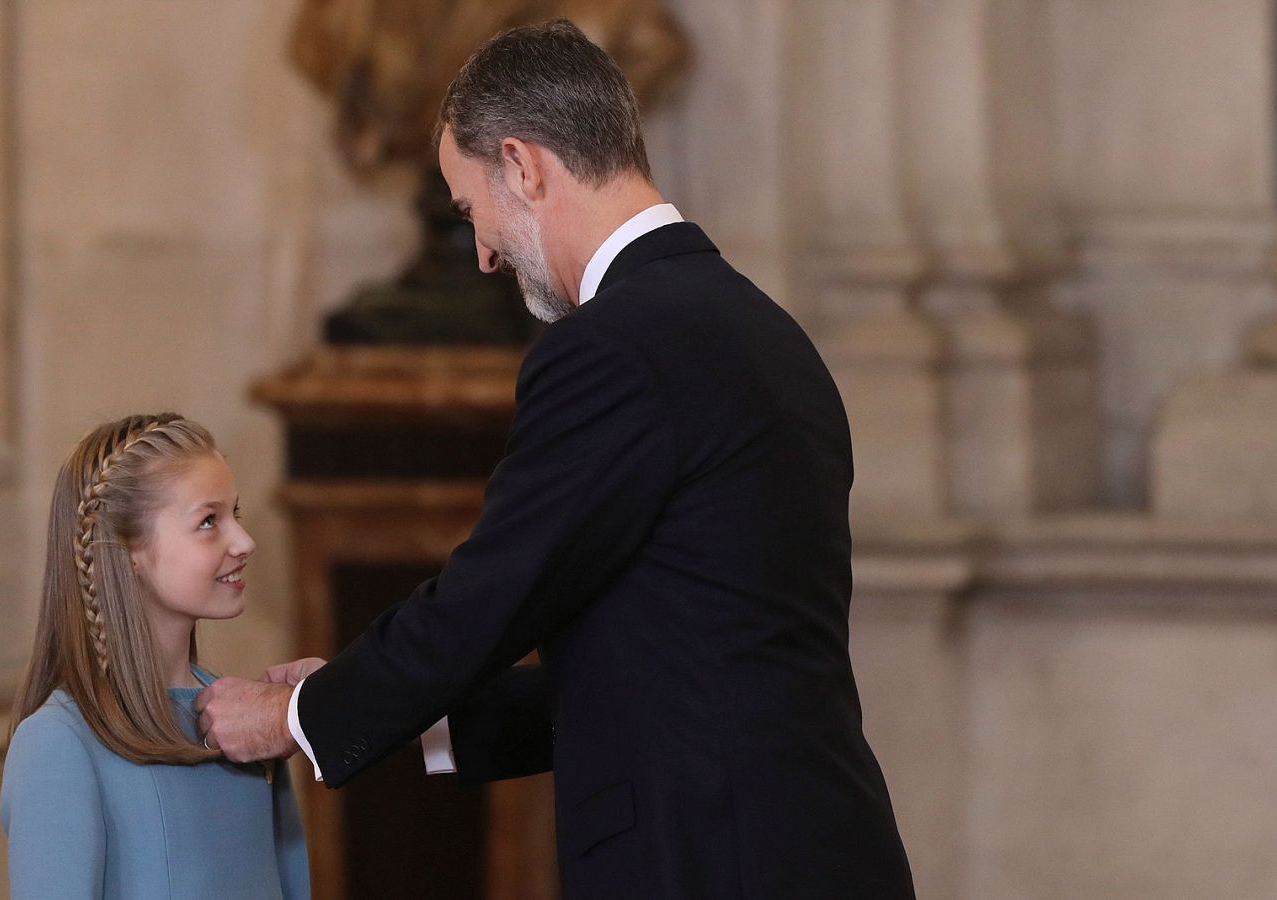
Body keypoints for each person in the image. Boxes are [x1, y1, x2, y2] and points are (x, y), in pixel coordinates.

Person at [196, 19, 916, 898]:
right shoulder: (765, 332)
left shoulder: (612, 347)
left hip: (709, 863)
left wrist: (297, 716)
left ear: (523, 166)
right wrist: (382, 704)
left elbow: (489, 597)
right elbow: (673, 663)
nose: (482, 255)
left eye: (472, 210)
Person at [0, 414, 309, 900]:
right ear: (129, 551)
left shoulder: (243, 722)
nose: (244, 541)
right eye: (208, 521)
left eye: (235, 513)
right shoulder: (59, 743)